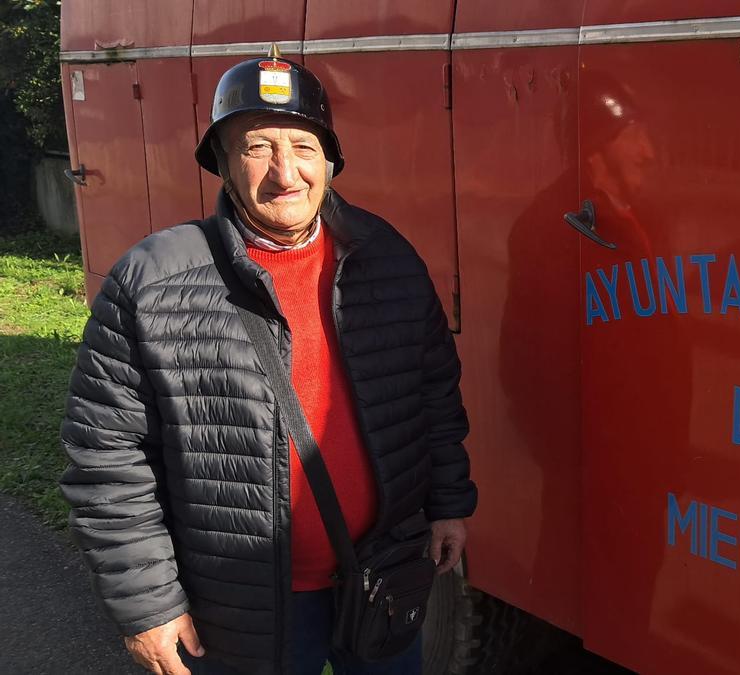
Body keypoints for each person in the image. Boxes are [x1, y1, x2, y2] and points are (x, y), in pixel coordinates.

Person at [59, 48, 477, 675]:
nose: (286, 173)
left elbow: (434, 393)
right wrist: (147, 606)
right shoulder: (152, 283)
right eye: (257, 148)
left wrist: (448, 503)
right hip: (240, 606)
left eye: (304, 149)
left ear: (330, 162)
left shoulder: (385, 258)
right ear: (222, 165)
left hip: (380, 576)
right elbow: (106, 458)